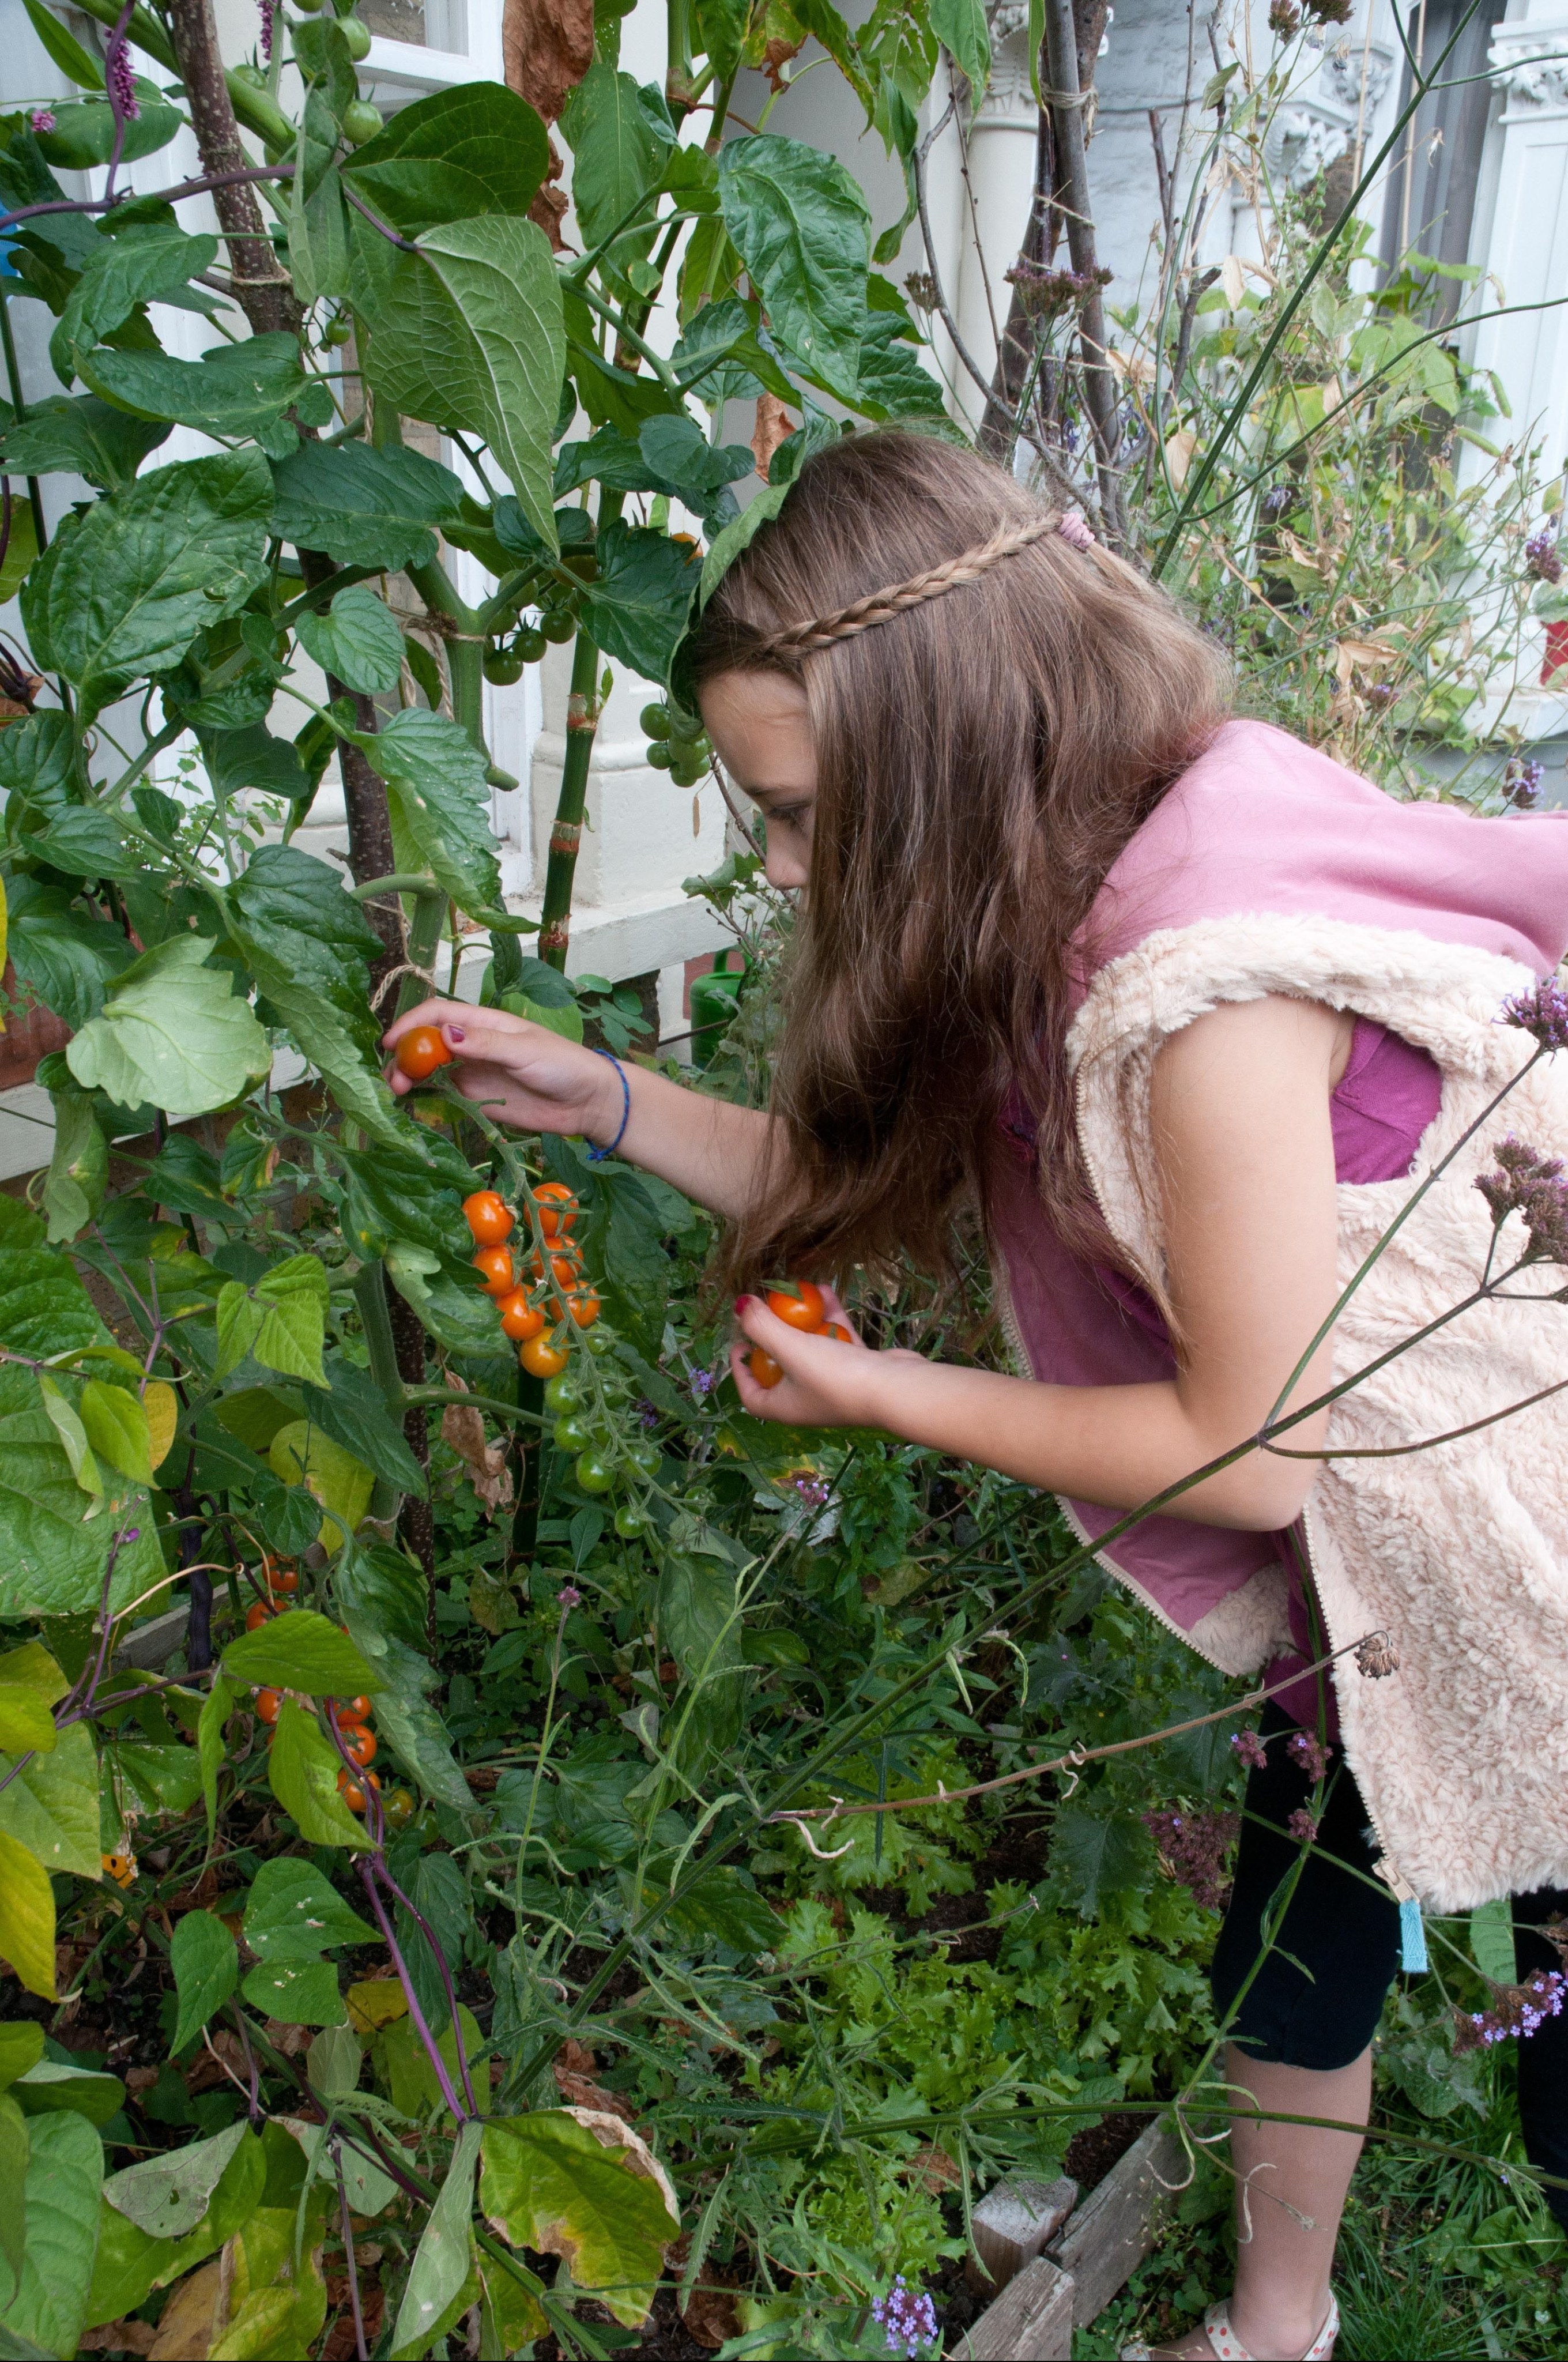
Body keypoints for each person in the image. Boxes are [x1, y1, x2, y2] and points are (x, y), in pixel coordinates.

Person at [385, 431, 1568, 2362]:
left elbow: (1240, 1452)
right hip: (1383, 1576)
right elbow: (886, 1174)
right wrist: (599, 1097)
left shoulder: (1197, 993)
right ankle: (1280, 2326)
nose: (781, 866)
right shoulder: (1079, 866)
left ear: (935, 748)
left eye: (796, 812)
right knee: (1298, 1940)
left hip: (1517, 1545)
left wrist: (888, 1395)